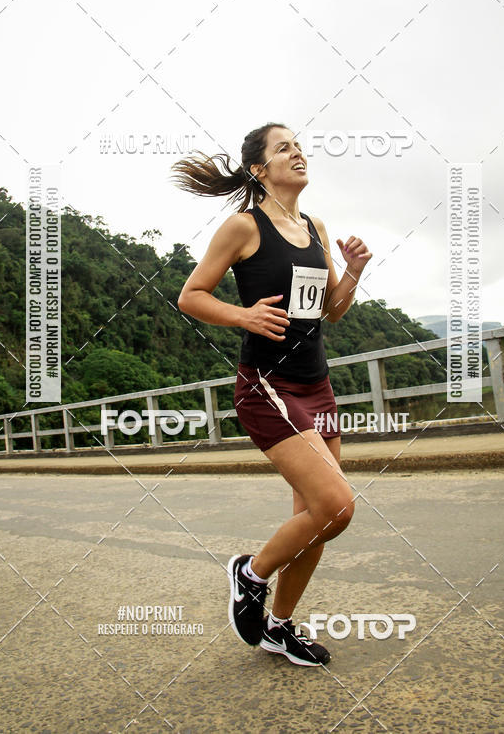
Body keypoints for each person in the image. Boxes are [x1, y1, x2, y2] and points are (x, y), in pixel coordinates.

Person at [171, 123, 372, 666]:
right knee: (338, 506)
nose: (299, 152)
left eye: (300, 144)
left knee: (318, 517)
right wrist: (245, 315)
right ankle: (250, 573)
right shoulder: (242, 227)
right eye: (285, 148)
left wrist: (352, 271)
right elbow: (191, 295)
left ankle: (279, 628)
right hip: (267, 386)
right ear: (260, 169)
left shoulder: (314, 226)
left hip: (317, 386)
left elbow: (332, 308)